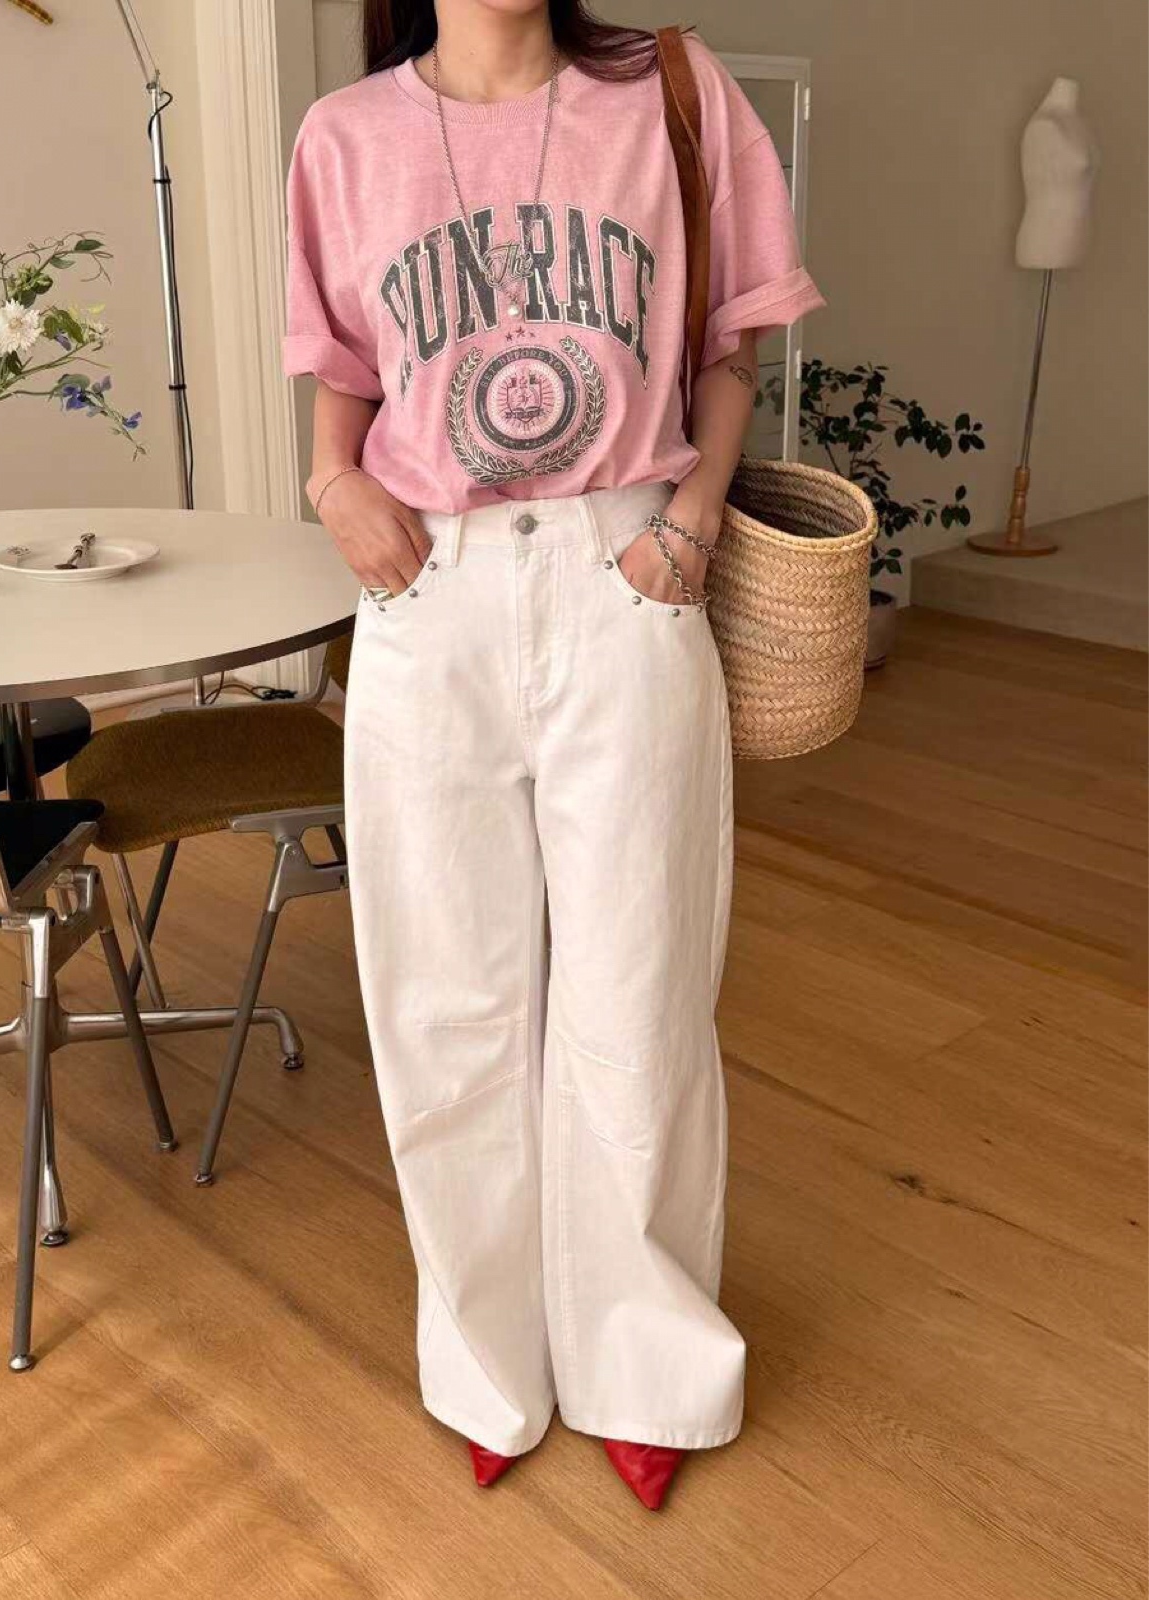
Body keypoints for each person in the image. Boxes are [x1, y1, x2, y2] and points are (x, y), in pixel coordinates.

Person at [284, 0, 823, 1511]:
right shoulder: (346, 135)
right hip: (431, 586)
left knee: (639, 986)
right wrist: (330, 484)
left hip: (621, 569)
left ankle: (646, 1357)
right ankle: (485, 1358)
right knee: (441, 999)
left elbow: (731, 337)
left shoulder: (671, 92)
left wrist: (692, 524)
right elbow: (339, 359)